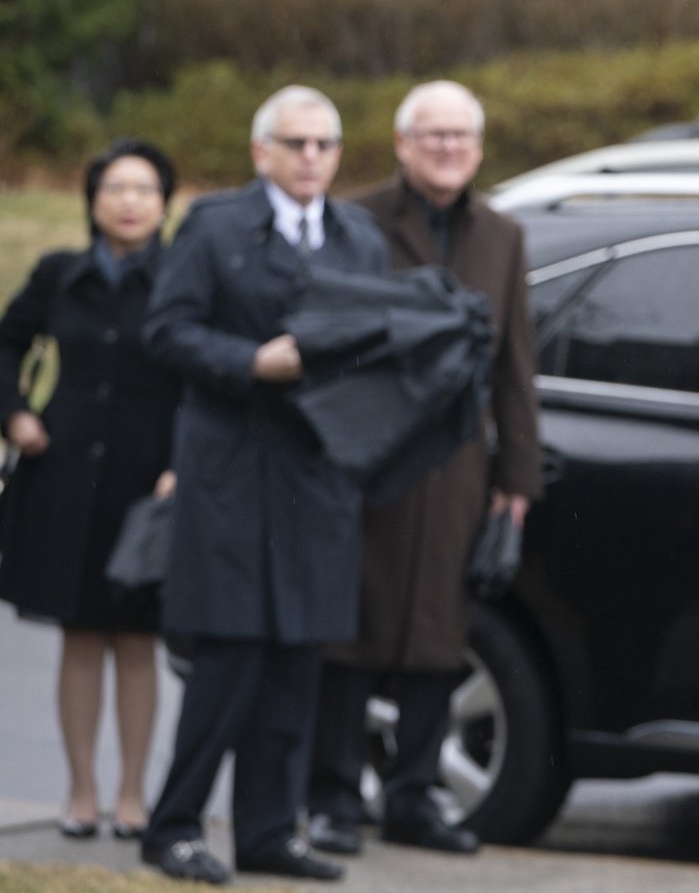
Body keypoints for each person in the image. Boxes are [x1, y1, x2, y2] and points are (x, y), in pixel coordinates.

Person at [140, 86, 388, 886]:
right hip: (233, 468)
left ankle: (269, 832)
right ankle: (172, 828)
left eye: (325, 144)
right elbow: (166, 330)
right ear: (262, 153)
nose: (311, 157)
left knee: (296, 660)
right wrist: (250, 363)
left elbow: (379, 340)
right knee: (229, 657)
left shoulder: (358, 236)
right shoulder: (214, 225)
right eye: (296, 143)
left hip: (317, 476)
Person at [305, 81, 541, 858]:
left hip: (458, 469)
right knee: (350, 633)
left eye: (461, 136)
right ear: (403, 144)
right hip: (368, 459)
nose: (447, 148)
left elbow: (516, 368)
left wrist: (517, 482)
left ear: (477, 149)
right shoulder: (357, 220)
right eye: (432, 135)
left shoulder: (502, 236)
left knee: (442, 637)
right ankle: (335, 799)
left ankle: (413, 797)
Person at [0, 140, 183, 841]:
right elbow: (5, 345)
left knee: (136, 640)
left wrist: (185, 461)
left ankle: (133, 795)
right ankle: (81, 792)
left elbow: (201, 374)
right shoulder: (59, 274)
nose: (130, 201)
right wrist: (15, 414)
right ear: (93, 200)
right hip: (67, 470)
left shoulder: (179, 278)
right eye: (116, 188)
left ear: (164, 203)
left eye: (144, 189)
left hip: (149, 477)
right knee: (79, 635)